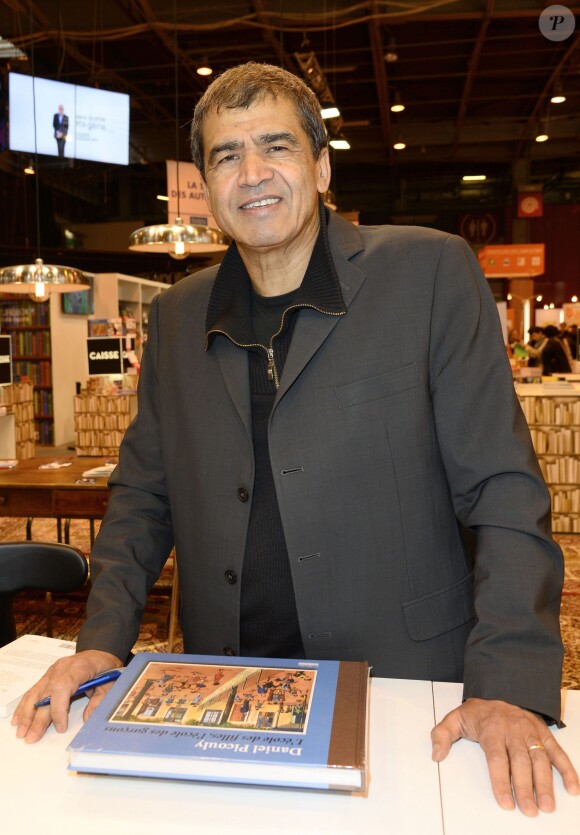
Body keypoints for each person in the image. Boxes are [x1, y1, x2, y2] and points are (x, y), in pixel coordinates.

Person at [13, 62, 578, 816]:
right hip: (228, 698)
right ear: (207, 187)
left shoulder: (428, 272)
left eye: (275, 146)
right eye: (225, 155)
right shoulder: (179, 317)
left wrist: (508, 681)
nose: (252, 173)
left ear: (319, 164)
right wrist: (103, 638)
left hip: (403, 691)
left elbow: (503, 491)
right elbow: (143, 497)